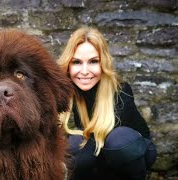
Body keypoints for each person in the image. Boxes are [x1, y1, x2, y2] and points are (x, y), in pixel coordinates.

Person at [57, 26, 157, 180]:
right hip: (93, 154)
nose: (84, 71)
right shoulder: (61, 93)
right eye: (77, 62)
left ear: (103, 63)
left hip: (132, 152)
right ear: (68, 65)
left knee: (119, 140)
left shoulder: (120, 91)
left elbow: (113, 147)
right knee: (75, 145)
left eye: (93, 61)